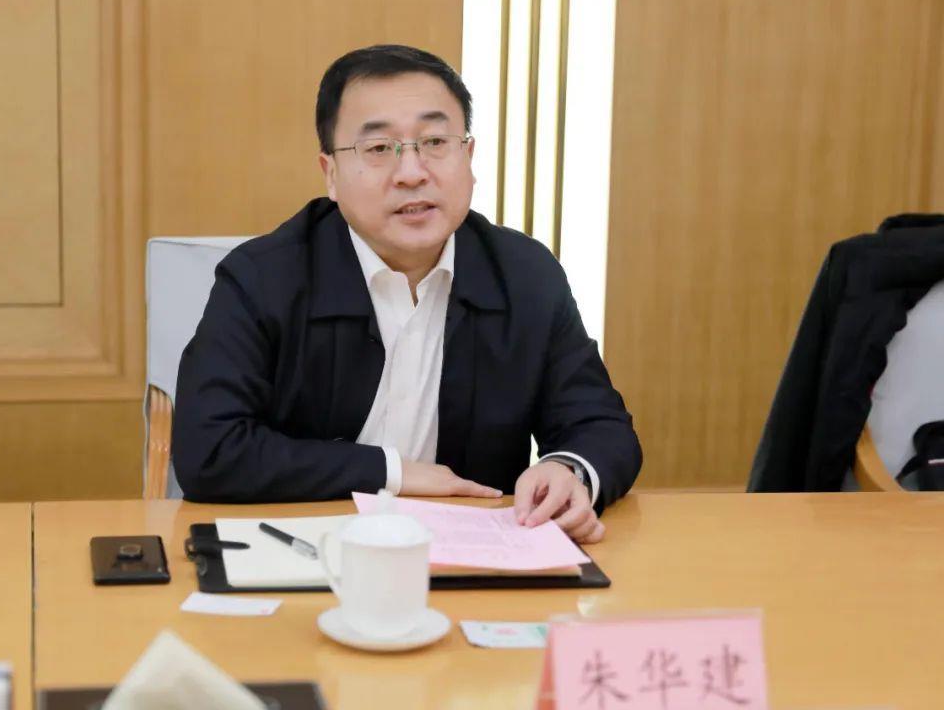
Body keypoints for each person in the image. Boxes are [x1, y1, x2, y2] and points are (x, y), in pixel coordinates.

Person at [173, 45, 641, 543]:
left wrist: (569, 470)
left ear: (468, 157)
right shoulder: (263, 278)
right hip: (306, 553)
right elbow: (210, 448)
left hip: (476, 558)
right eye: (379, 148)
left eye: (435, 141)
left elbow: (601, 426)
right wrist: (391, 472)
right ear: (331, 174)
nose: (412, 172)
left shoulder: (525, 275)